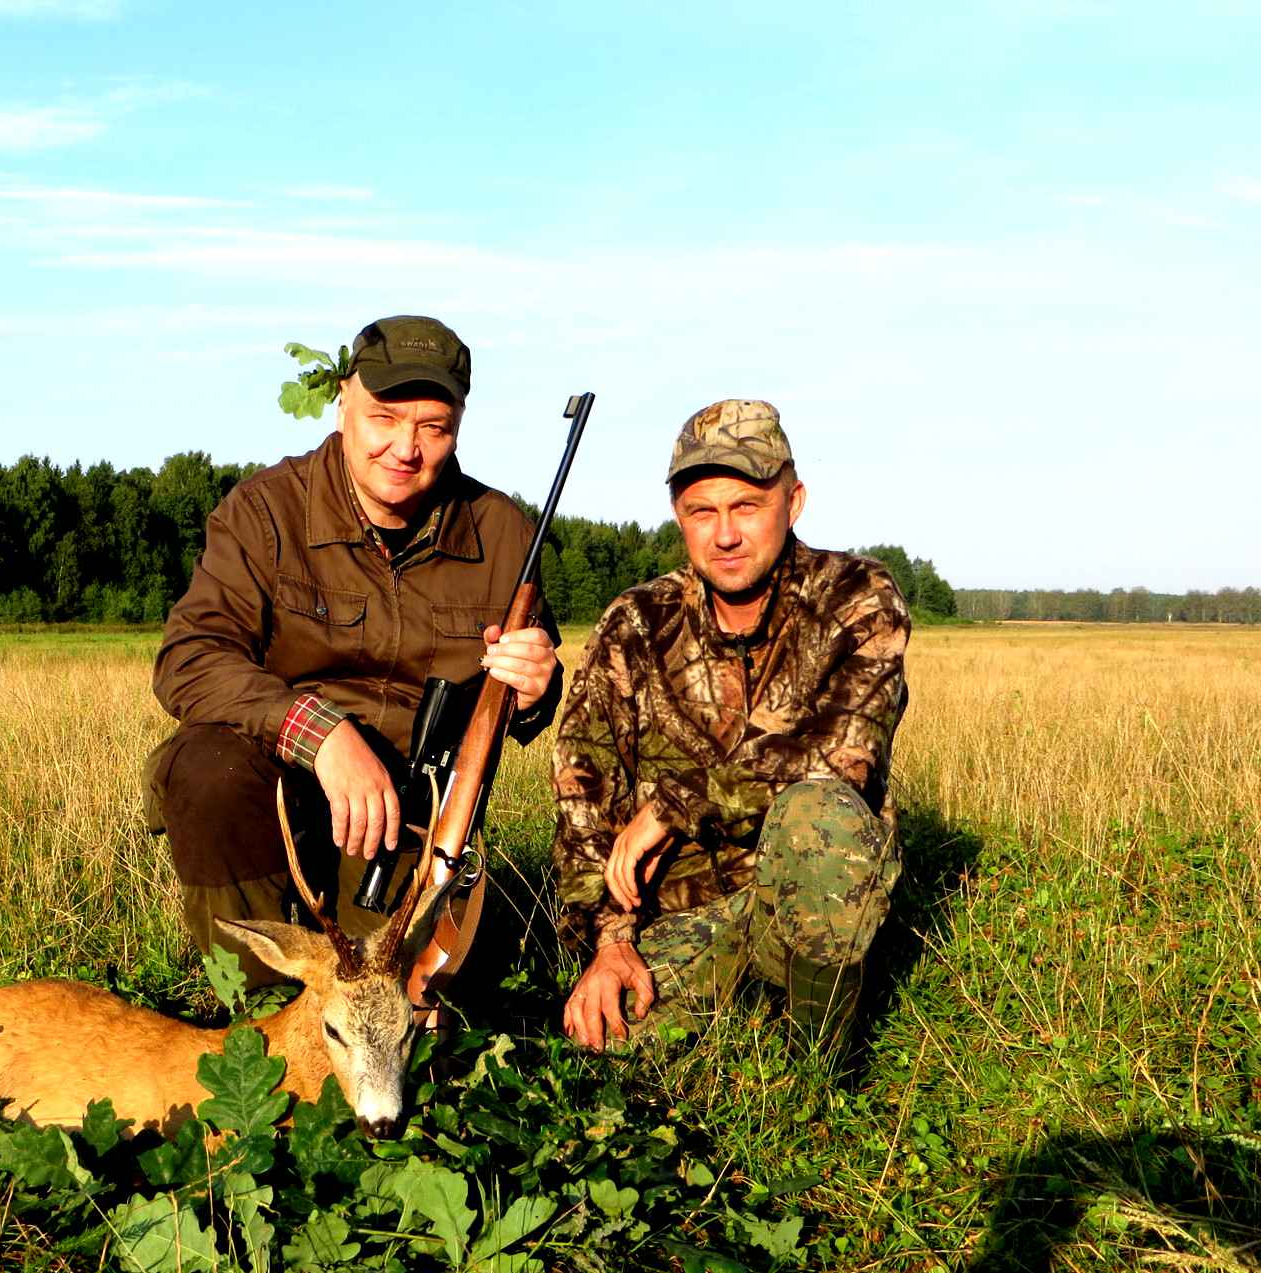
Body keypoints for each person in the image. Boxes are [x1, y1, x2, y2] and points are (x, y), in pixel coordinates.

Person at [148, 315, 562, 1007]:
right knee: (206, 769)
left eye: (435, 425)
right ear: (345, 402)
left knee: (414, 1004)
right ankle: (248, 1007)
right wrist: (321, 733)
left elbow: (521, 701)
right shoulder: (265, 509)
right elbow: (190, 657)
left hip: (410, 812)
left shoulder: (503, 531)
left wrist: (538, 686)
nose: (406, 447)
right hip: (279, 788)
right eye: (385, 417)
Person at [552, 399, 908, 1056]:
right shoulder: (636, 621)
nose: (725, 535)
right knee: (607, 1050)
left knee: (821, 818)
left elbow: (842, 760)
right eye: (701, 512)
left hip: (799, 886)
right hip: (677, 914)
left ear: (793, 501)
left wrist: (677, 802)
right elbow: (582, 798)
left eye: (745, 506)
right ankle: (736, 1022)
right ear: (679, 518)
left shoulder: (856, 596)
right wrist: (609, 944)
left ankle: (819, 1071)